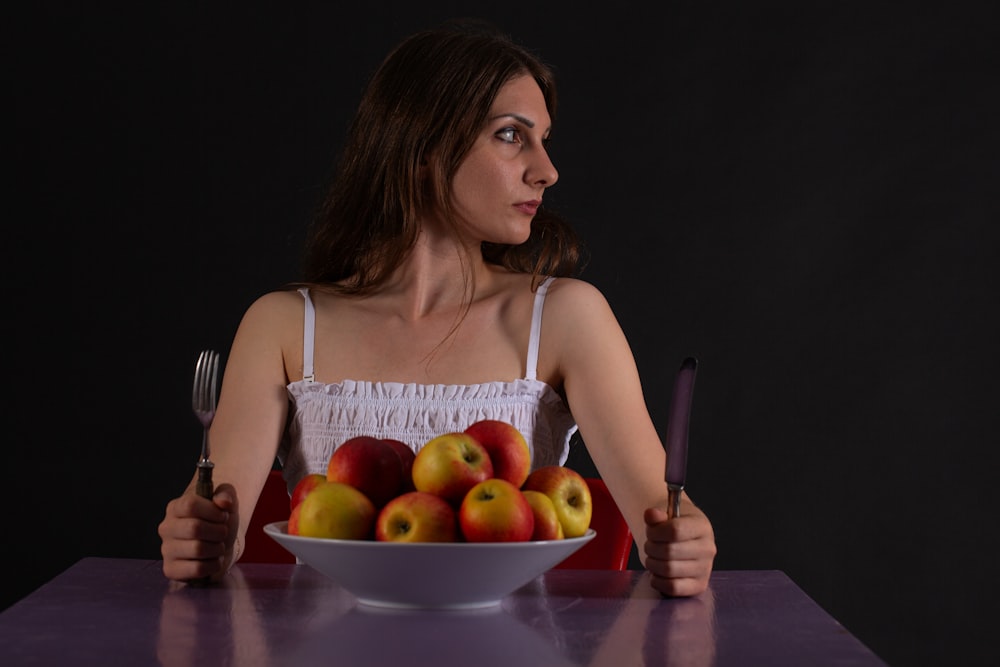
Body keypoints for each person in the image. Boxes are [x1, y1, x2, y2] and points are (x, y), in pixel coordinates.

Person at [158, 19, 716, 597]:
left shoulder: (568, 317)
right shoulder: (280, 325)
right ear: (424, 148)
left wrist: (687, 544)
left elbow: (665, 516)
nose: (546, 170)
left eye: (543, 139)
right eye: (510, 135)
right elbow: (216, 524)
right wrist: (199, 539)